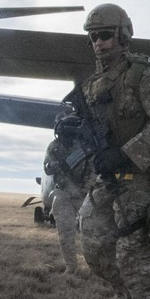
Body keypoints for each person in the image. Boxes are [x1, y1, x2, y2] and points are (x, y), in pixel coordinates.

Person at [73, 3, 150, 299]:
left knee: (134, 257)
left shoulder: (140, 74)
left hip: (139, 179)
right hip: (106, 178)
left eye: (105, 35)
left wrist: (126, 153)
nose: (99, 43)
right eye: (93, 37)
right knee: (93, 242)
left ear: (122, 35)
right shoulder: (92, 85)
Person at [42, 115, 89, 274]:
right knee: (65, 234)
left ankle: (96, 268)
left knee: (91, 234)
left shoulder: (86, 145)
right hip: (63, 194)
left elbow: (94, 169)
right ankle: (71, 268)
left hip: (84, 194)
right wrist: (60, 164)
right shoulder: (54, 147)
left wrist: (88, 187)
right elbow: (47, 167)